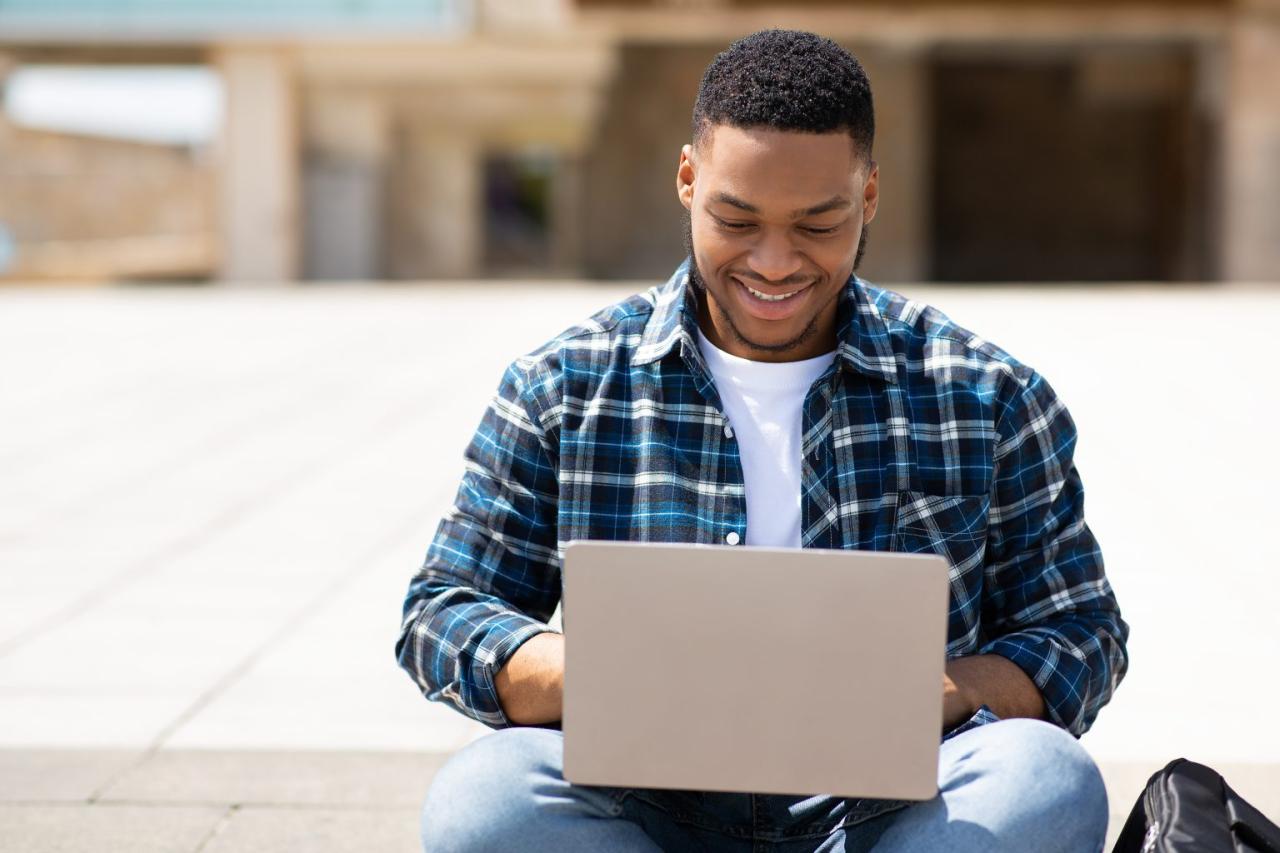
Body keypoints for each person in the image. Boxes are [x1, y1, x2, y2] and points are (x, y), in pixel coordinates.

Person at [396, 29, 1129, 853]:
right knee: (481, 802)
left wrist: (945, 689)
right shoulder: (563, 384)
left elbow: (1082, 631)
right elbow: (442, 612)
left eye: (819, 224)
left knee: (1048, 779)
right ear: (686, 180)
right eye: (736, 219)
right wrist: (587, 671)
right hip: (644, 808)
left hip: (886, 815)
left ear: (871, 195)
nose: (774, 263)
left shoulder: (987, 392)